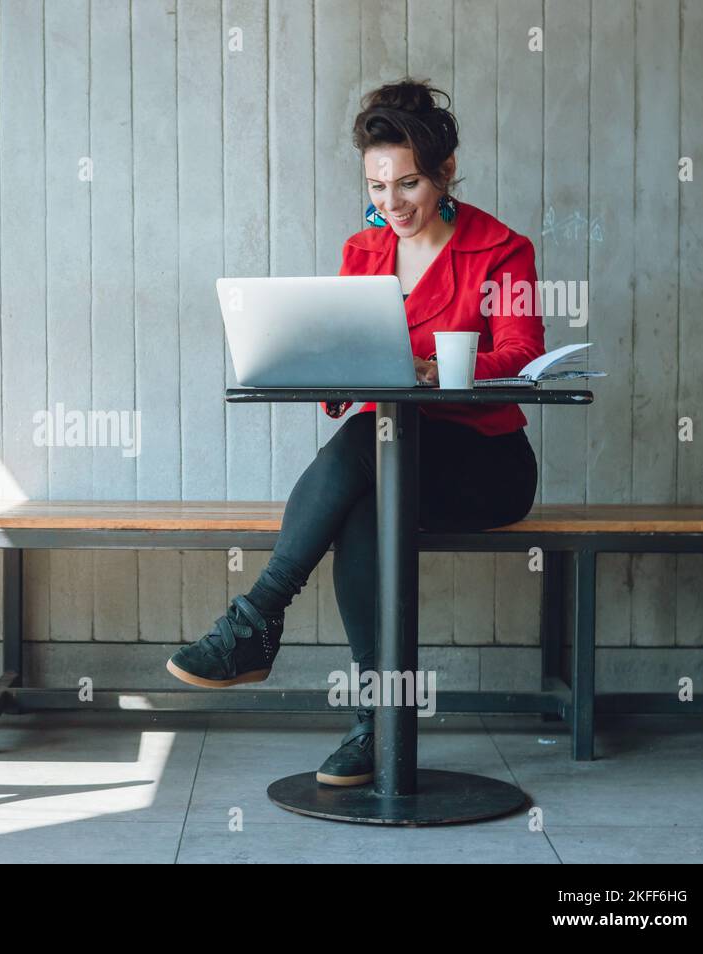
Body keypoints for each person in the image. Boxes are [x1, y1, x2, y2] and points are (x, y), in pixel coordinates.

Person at [165, 78, 545, 787]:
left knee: (365, 451)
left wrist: (433, 371)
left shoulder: (503, 249)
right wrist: (326, 370)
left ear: (446, 172)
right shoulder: (361, 252)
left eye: (408, 184)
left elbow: (523, 354)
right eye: (376, 186)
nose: (391, 204)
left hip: (486, 463)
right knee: (365, 505)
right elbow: (349, 374)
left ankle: (255, 621)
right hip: (384, 457)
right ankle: (378, 722)